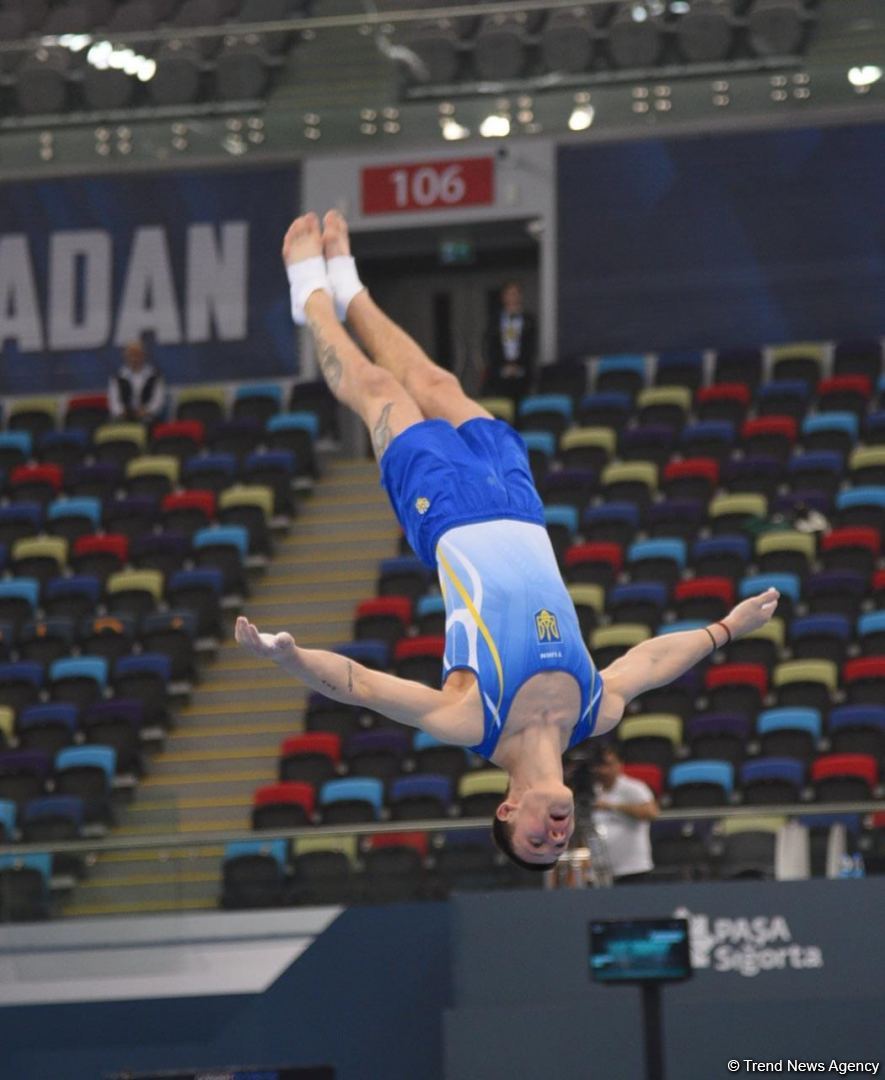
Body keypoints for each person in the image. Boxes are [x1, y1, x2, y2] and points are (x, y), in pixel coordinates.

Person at [235, 209, 781, 871]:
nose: (554, 836)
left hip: (444, 514)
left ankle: (311, 295)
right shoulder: (594, 712)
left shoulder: (473, 720)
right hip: (519, 506)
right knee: (438, 383)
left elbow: (364, 686)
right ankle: (349, 285)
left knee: (380, 391)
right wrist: (726, 629)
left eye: (535, 842)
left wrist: (290, 659)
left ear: (507, 809)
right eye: (558, 845)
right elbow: (652, 662)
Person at [590, 743, 657, 884]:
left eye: (608, 764)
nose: (604, 770)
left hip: (633, 869)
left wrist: (612, 806)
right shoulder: (591, 791)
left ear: (620, 764)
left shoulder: (634, 788)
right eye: (600, 765)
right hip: (599, 871)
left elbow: (651, 812)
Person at [481, 280, 536, 402]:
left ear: (520, 296)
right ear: (503, 297)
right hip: (500, 375)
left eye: (515, 294)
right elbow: (490, 346)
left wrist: (518, 365)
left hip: (522, 375)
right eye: (509, 294)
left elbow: (531, 346)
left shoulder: (529, 320)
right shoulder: (495, 321)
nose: (512, 297)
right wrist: (502, 367)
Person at [108, 340, 166, 423]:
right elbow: (114, 402)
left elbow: (158, 401)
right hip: (123, 417)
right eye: (131, 355)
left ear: (144, 356)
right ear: (125, 357)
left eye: (137, 355)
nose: (134, 358)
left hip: (148, 417)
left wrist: (146, 411)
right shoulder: (117, 377)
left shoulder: (155, 375)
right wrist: (123, 412)